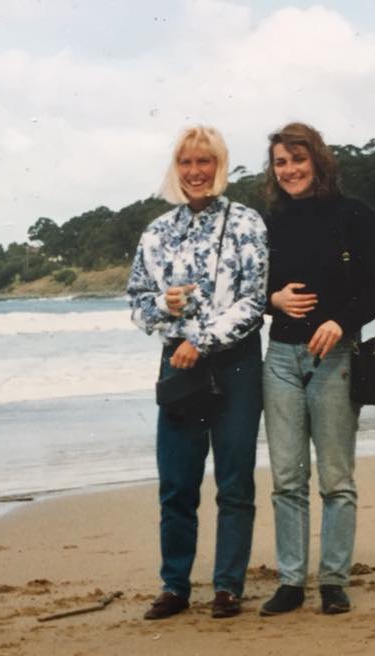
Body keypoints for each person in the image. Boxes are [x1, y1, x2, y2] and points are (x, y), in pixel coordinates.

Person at [127, 125, 268, 620]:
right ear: (175, 169)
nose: (195, 172)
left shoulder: (247, 221)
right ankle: (175, 586)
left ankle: (228, 586)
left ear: (220, 166)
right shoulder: (157, 232)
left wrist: (201, 341)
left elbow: (254, 301)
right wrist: (163, 307)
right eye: (186, 163)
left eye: (204, 162)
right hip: (177, 365)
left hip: (236, 362)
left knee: (234, 481)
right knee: (178, 483)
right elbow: (137, 305)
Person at [260, 122, 375, 616]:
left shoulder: (353, 215)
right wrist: (272, 301)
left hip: (335, 357)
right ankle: (292, 582)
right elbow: (248, 291)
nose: (290, 170)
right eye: (281, 162)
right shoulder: (268, 221)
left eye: (298, 159)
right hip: (279, 359)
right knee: (286, 479)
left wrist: (340, 321)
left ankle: (334, 581)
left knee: (336, 479)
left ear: (317, 160)